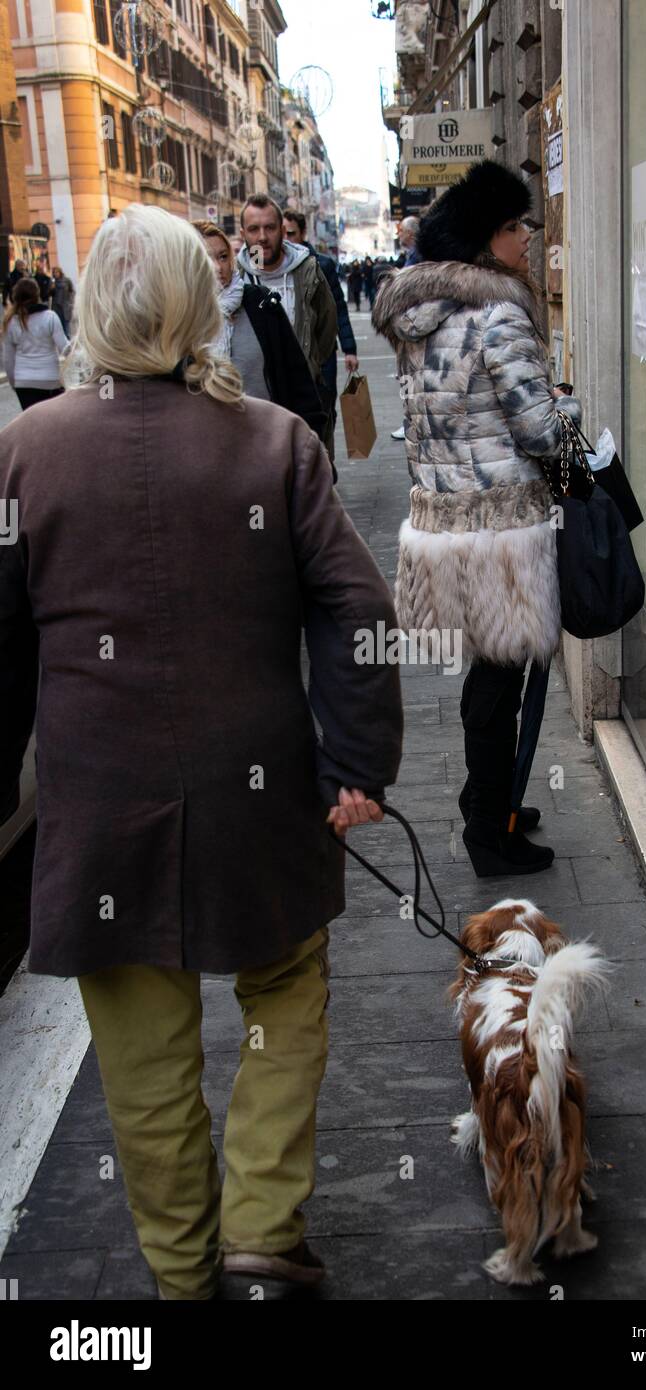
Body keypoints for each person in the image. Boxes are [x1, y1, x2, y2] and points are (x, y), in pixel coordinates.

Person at [0, 204, 403, 1300]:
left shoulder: (26, 453)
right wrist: (356, 763)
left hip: (98, 802)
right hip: (257, 787)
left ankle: (183, 1275)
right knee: (283, 991)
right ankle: (264, 1231)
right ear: (199, 309)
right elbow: (358, 608)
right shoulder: (275, 441)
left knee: (142, 1056)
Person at [373, 159, 584, 878]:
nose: (527, 237)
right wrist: (574, 416)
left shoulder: (421, 320)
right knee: (499, 684)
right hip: (502, 532)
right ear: (486, 238)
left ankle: (488, 803)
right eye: (515, 225)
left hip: (444, 523)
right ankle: (489, 835)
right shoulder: (499, 315)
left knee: (489, 678)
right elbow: (540, 431)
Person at [193, 219, 327, 443]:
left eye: (223, 256)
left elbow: (296, 378)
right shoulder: (177, 319)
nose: (218, 267)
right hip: (207, 446)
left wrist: (314, 442)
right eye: (206, 258)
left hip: (267, 441)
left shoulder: (260, 302)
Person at [235, 194, 337, 411]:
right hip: (255, 403)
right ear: (243, 234)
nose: (262, 237)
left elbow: (326, 330)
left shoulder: (308, 270)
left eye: (269, 228)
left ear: (282, 231)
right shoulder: (236, 279)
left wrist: (311, 365)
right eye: (253, 229)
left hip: (304, 396)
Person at [281, 209, 358, 461]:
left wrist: (349, 348)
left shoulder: (320, 264)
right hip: (285, 357)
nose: (285, 239)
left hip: (321, 355)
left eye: (290, 233)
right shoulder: (265, 267)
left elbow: (338, 309)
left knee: (324, 411)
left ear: (303, 233)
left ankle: (326, 466)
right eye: (281, 232)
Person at [2, 276, 68, 411]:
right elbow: (65, 349)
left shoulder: (11, 322)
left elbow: (8, 360)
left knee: (33, 428)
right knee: (52, 424)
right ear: (37, 294)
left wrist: (15, 383)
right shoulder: (50, 317)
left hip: (24, 382)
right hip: (50, 380)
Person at [51, 266, 76, 335]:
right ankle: (63, 338)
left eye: (57, 272)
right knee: (59, 323)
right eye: (54, 272)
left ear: (60, 272)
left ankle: (68, 338)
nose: (55, 274)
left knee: (66, 322)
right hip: (57, 306)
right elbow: (50, 294)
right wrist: (52, 288)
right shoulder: (53, 282)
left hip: (65, 305)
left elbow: (72, 291)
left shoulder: (67, 280)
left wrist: (71, 301)